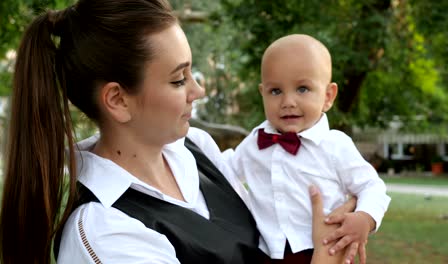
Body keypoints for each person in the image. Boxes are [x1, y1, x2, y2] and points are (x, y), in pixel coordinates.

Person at [0, 1, 358, 264]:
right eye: (178, 79)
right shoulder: (105, 232)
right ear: (118, 100)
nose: (197, 91)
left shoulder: (196, 149)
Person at [223, 34, 391, 264]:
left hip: (324, 250)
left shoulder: (335, 145)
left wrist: (365, 218)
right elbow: (222, 170)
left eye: (302, 89)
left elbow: (372, 186)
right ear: (262, 93)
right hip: (265, 251)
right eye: (275, 91)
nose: (288, 101)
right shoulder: (255, 143)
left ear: (328, 96)